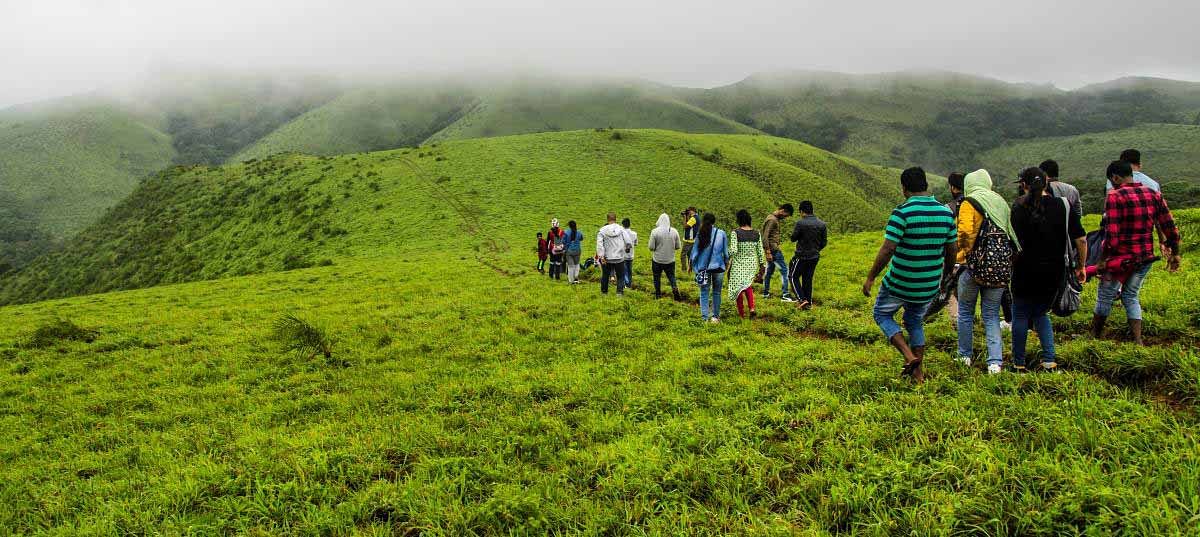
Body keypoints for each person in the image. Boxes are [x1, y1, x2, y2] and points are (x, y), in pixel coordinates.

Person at [863, 167, 957, 383]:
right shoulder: (945, 213)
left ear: (904, 189)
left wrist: (870, 278)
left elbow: (888, 249)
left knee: (882, 314)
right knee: (914, 321)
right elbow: (951, 249)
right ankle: (918, 374)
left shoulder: (902, 212)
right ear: (926, 185)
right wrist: (945, 276)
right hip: (928, 284)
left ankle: (908, 355)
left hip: (900, 282)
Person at [1091, 160, 1182, 345]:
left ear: (1115, 177)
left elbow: (1112, 235)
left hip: (1120, 259)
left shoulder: (1115, 197)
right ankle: (1138, 340)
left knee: (1105, 296)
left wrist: (1102, 260)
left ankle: (1095, 337)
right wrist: (1175, 253)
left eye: (1112, 180)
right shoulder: (1153, 194)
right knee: (1131, 296)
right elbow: (1169, 226)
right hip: (1145, 257)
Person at [1011, 167, 1087, 373]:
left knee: (1019, 313)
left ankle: (1018, 363)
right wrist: (1081, 266)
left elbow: (1013, 243)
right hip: (1054, 271)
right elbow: (1080, 238)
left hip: (1023, 269)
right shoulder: (1063, 205)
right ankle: (1049, 361)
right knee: (1041, 313)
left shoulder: (1017, 208)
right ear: (1046, 182)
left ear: (1024, 185)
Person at [954, 169, 1020, 374]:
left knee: (965, 312)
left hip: (973, 267)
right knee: (991, 315)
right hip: (999, 267)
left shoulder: (969, 202)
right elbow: (1011, 232)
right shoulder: (999, 201)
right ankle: (995, 363)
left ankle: (964, 356)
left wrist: (961, 257)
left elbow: (964, 233)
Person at [788, 200, 827, 310]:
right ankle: (808, 303)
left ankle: (801, 299)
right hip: (814, 256)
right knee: (807, 279)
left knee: (793, 276)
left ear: (801, 211)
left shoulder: (801, 223)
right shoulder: (822, 224)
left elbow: (793, 238)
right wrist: (816, 249)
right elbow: (824, 242)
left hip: (801, 256)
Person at [728, 210, 766, 319]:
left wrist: (725, 253)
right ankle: (752, 308)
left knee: (738, 288)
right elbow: (760, 251)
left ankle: (741, 314)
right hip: (751, 264)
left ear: (739, 220)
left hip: (739, 264)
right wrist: (762, 265)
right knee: (747, 285)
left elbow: (734, 250)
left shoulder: (736, 232)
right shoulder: (756, 233)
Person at [691, 213, 729, 323]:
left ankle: (704, 318)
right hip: (719, 267)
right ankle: (715, 317)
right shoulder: (721, 233)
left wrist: (694, 267)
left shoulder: (700, 234)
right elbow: (726, 253)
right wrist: (726, 265)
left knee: (704, 292)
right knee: (717, 292)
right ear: (714, 221)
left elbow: (694, 254)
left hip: (704, 268)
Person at [943, 172, 966, 325]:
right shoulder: (973, 205)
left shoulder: (948, 208)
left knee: (949, 291)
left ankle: (957, 322)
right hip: (970, 258)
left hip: (953, 256)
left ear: (952, 187)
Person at [760, 203, 795, 301]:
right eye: (786, 215)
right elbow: (765, 237)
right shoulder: (772, 220)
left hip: (772, 249)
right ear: (782, 210)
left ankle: (766, 293)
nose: (785, 217)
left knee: (769, 272)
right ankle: (785, 295)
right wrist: (768, 252)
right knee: (784, 271)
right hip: (773, 250)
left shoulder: (773, 218)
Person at [647, 213, 682, 300]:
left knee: (656, 277)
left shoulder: (655, 232)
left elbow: (651, 247)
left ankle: (658, 294)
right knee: (671, 276)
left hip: (657, 260)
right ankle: (674, 287)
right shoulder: (674, 231)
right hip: (670, 260)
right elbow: (678, 246)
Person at [597, 213, 629, 295]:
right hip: (619, 257)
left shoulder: (602, 230)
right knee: (620, 276)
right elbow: (628, 241)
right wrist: (627, 247)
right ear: (615, 219)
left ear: (607, 219)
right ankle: (619, 292)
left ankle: (604, 292)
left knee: (605, 275)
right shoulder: (621, 229)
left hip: (607, 258)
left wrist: (601, 256)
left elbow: (599, 244)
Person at [621, 218, 638, 289]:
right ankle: (629, 285)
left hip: (623, 255)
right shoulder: (634, 234)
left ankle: (626, 284)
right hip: (631, 255)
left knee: (624, 271)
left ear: (623, 225)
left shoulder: (621, 234)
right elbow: (636, 244)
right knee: (630, 270)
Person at [680, 207, 698, 273]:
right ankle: (691, 269)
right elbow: (689, 224)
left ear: (692, 211)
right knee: (690, 255)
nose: (688, 213)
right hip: (693, 240)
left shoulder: (693, 219)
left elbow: (685, 226)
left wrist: (684, 217)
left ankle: (684, 270)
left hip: (689, 241)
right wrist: (687, 216)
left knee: (683, 255)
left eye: (689, 211)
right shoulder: (696, 218)